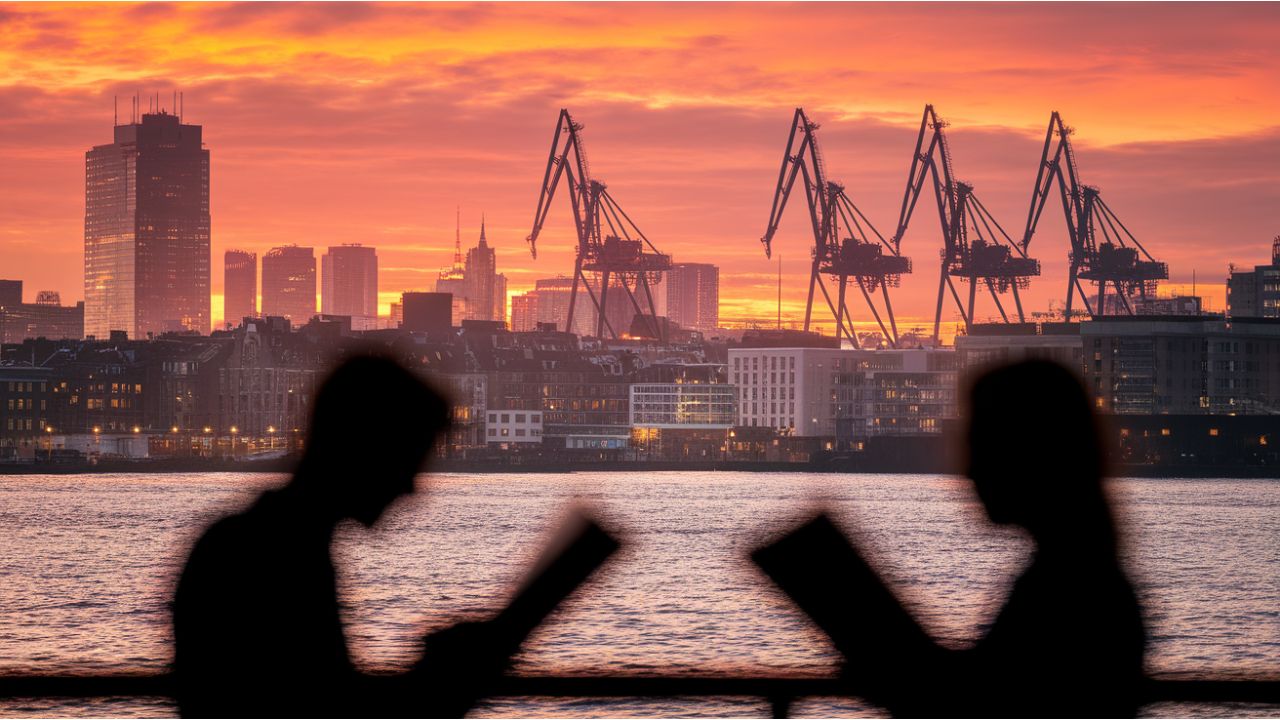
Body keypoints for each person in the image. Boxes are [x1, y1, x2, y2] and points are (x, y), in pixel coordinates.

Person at [758, 360, 1147, 717]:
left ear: (1031, 458)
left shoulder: (1062, 591)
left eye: (983, 448)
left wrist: (893, 673)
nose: (969, 472)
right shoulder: (1084, 581)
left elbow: (981, 703)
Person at [171, 353, 503, 717]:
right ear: (364, 450)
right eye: (407, 461)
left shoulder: (252, 543)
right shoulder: (282, 560)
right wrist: (437, 682)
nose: (411, 488)